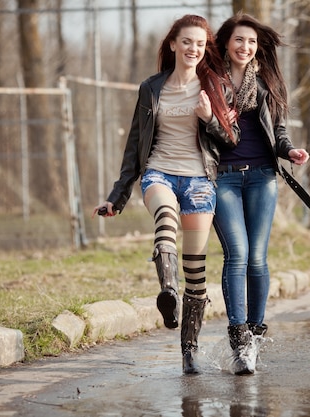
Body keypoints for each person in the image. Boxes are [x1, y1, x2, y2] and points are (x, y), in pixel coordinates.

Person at [93, 14, 238, 374]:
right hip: (159, 171)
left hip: (200, 181)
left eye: (200, 44)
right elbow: (134, 146)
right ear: (173, 44)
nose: (193, 49)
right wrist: (118, 196)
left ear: (206, 50)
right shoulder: (151, 88)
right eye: (187, 41)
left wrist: (208, 118)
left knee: (197, 270)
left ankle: (189, 348)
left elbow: (231, 139)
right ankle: (168, 291)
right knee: (164, 218)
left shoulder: (215, 87)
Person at [213, 12, 310, 375]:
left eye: (252, 42)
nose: (246, 47)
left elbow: (279, 130)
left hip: (262, 178)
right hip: (222, 178)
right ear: (226, 42)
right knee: (236, 254)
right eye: (239, 40)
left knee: (257, 258)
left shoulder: (268, 80)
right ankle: (239, 340)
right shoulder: (210, 79)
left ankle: (256, 336)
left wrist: (290, 151)